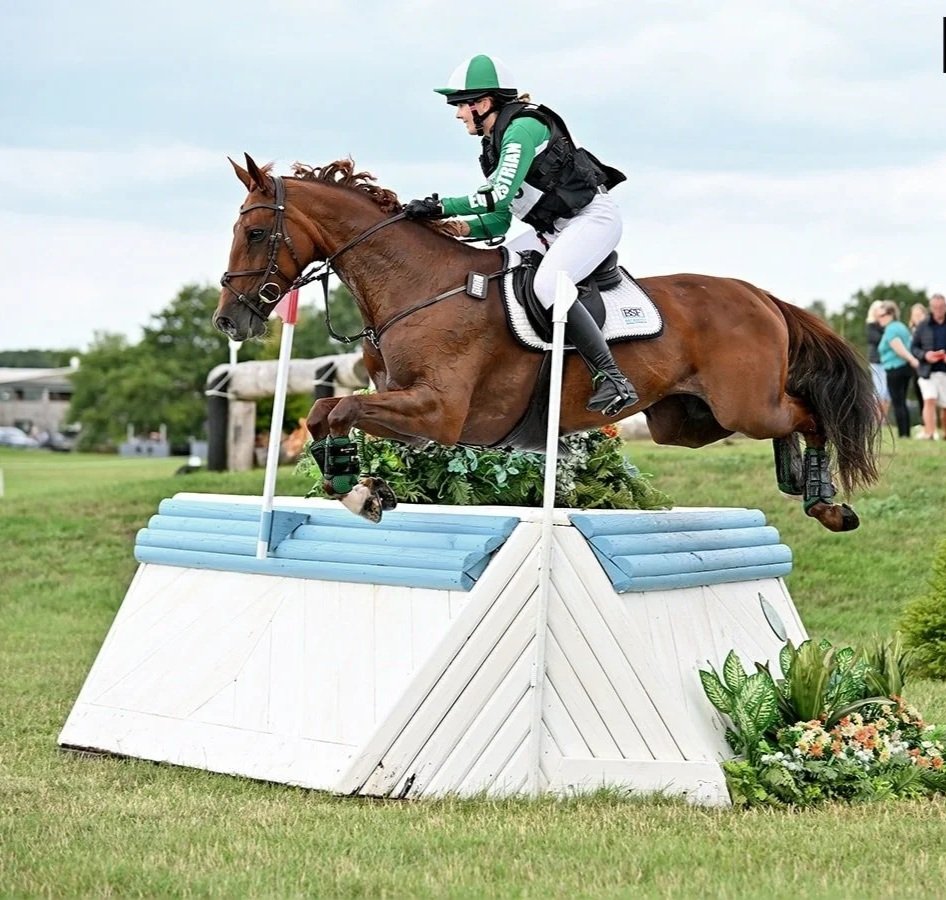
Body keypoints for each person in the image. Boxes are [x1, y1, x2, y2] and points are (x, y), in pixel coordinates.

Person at [401, 54, 636, 416]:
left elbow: (497, 195)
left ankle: (612, 377)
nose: (458, 114)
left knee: (546, 287)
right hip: (550, 231)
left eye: (460, 105)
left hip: (591, 220)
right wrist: (447, 229)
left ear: (483, 103)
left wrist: (440, 206)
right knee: (495, 270)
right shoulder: (493, 148)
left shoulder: (522, 129)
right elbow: (497, 223)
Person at [875, 302, 919, 438]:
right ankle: (906, 432)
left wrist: (911, 359)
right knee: (902, 401)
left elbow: (897, 346)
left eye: (882, 315)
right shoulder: (902, 327)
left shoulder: (891, 329)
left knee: (897, 402)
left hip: (895, 368)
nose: (879, 319)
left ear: (891, 314)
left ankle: (903, 434)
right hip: (905, 368)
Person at [910, 293, 946, 440]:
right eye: (935, 307)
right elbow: (914, 347)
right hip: (927, 371)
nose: (938, 310)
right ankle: (930, 433)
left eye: (941, 307)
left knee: (945, 406)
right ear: (931, 307)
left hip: (944, 371)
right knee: (929, 400)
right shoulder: (923, 325)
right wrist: (925, 355)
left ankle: (944, 433)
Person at [865, 300, 890, 422]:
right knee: (879, 391)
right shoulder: (871, 326)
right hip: (876, 361)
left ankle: (883, 419)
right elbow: (878, 340)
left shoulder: (887, 326)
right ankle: (877, 418)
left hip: (887, 361)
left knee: (886, 392)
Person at [908, 301, 929, 413]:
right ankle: (925, 423)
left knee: (930, 396)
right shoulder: (911, 331)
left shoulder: (928, 330)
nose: (917, 317)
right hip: (915, 367)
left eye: (919, 314)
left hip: (927, 366)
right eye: (915, 315)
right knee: (919, 394)